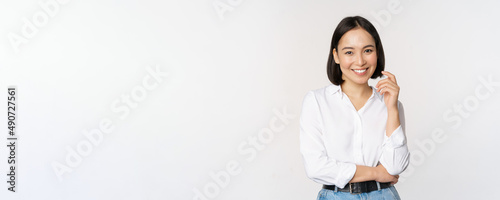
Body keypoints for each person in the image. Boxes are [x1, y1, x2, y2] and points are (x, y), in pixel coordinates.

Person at [299, 16, 410, 200]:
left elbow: (395, 166)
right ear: (336, 55)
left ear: (377, 53)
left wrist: (392, 109)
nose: (360, 61)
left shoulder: (392, 104)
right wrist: (377, 173)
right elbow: (315, 167)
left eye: (367, 50)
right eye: (349, 52)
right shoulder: (316, 101)